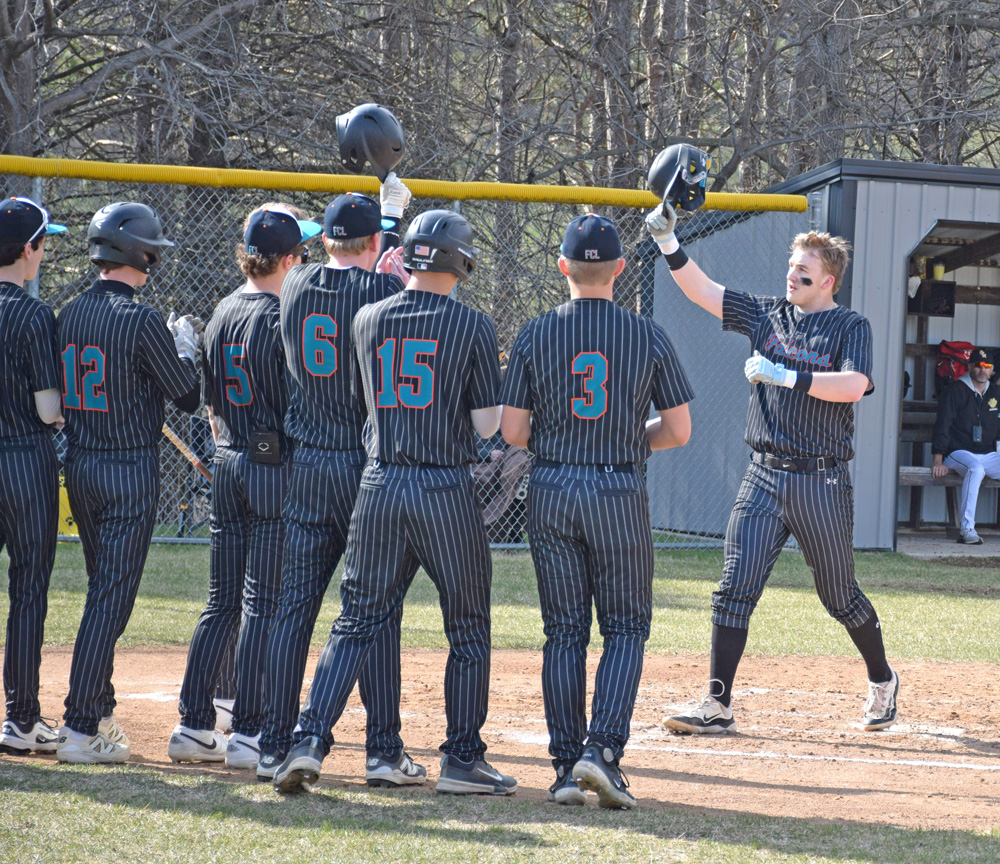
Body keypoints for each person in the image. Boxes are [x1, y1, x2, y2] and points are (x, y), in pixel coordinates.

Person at [645, 174, 899, 735]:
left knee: (839, 595)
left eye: (803, 270)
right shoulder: (768, 314)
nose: (792, 276)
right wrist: (668, 243)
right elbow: (703, 291)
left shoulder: (849, 324)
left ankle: (882, 680)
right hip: (763, 475)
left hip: (821, 481)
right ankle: (718, 705)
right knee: (734, 587)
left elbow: (855, 384)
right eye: (790, 267)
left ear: (827, 280)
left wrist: (788, 375)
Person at [272, 209, 515, 797]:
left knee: (355, 620)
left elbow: (364, 400)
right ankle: (461, 759)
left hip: (379, 483)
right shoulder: (472, 325)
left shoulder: (368, 317)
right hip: (442, 487)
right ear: (461, 261)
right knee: (468, 626)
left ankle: (307, 741)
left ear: (406, 255)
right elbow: (488, 425)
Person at [500, 214, 694, 809]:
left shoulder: (535, 333)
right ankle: (602, 752)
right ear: (620, 268)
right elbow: (680, 431)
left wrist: (562, 447)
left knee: (563, 633)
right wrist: (627, 441)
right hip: (617, 492)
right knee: (627, 628)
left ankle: (564, 769)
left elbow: (512, 431)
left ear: (563, 266)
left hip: (554, 488)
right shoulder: (647, 334)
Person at [256, 182, 422, 787]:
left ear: (323, 239)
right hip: (363, 462)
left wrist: (383, 225)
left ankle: (274, 744)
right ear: (374, 242)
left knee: (293, 608)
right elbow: (398, 286)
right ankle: (382, 751)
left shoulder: (294, 284)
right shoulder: (382, 288)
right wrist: (396, 223)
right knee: (373, 610)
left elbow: (345, 265)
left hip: (307, 463)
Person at [167, 204, 321, 768]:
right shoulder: (283, 315)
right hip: (267, 462)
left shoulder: (222, 309)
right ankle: (250, 728)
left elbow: (209, 404)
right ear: (287, 259)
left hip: (230, 457)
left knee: (221, 601)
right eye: (301, 253)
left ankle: (193, 722)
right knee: (262, 603)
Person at [55, 202, 202, 763]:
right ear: (137, 252)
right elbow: (186, 396)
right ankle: (79, 726)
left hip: (82, 463)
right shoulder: (141, 320)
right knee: (110, 599)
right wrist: (185, 349)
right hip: (127, 470)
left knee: (101, 591)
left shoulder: (68, 312)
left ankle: (100, 706)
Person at [0, 197, 67, 755]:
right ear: (28, 250)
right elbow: (49, 411)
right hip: (23, 457)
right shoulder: (32, 313)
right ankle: (20, 720)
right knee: (27, 591)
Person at [931, 346, 1000, 545]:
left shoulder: (995, 392)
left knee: (979, 466)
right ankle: (967, 529)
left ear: (992, 369)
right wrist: (938, 459)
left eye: (987, 366)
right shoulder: (956, 390)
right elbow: (943, 424)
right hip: (958, 452)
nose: (982, 369)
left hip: (987, 453)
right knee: (975, 469)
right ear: (970, 367)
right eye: (978, 365)